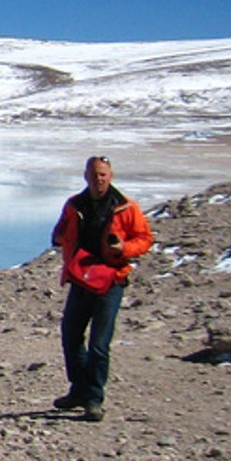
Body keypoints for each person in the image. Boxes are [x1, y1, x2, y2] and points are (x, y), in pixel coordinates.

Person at [50, 156, 154, 422]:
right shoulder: (75, 205)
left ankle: (94, 399)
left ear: (111, 176)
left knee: (99, 344)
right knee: (71, 335)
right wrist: (62, 240)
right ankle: (79, 390)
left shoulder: (125, 207)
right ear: (86, 176)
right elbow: (61, 231)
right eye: (95, 175)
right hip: (82, 278)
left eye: (103, 175)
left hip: (111, 281)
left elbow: (144, 238)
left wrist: (124, 249)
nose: (99, 180)